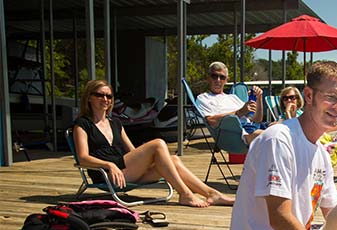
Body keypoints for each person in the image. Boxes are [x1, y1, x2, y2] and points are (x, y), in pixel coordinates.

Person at [226, 61, 337, 230]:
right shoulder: (278, 140)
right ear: (309, 95)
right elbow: (279, 218)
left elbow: (334, 216)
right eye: (331, 97)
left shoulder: (322, 154)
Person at [73, 79, 235, 208]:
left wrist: (153, 160)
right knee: (157, 144)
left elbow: (132, 152)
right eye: (100, 95)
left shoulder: (115, 123)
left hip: (125, 171)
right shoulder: (83, 124)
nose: (105, 99)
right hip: (108, 174)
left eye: (109, 96)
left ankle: (211, 193)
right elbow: (83, 158)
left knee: (173, 160)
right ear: (89, 97)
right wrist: (109, 165)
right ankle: (185, 194)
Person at [278, 86, 337, 176]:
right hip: (317, 144)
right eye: (285, 98)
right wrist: (288, 113)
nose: (289, 101)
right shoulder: (282, 119)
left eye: (292, 97)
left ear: (298, 99)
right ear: (282, 102)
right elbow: (293, 133)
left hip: (324, 139)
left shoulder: (304, 114)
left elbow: (319, 128)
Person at [196, 61, 265, 145]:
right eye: (214, 76)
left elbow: (257, 119)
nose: (218, 80)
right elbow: (211, 121)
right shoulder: (203, 98)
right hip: (236, 133)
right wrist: (238, 112)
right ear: (208, 78)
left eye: (222, 77)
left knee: (281, 128)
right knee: (270, 136)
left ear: (226, 80)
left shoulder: (233, 98)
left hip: (252, 126)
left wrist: (259, 98)